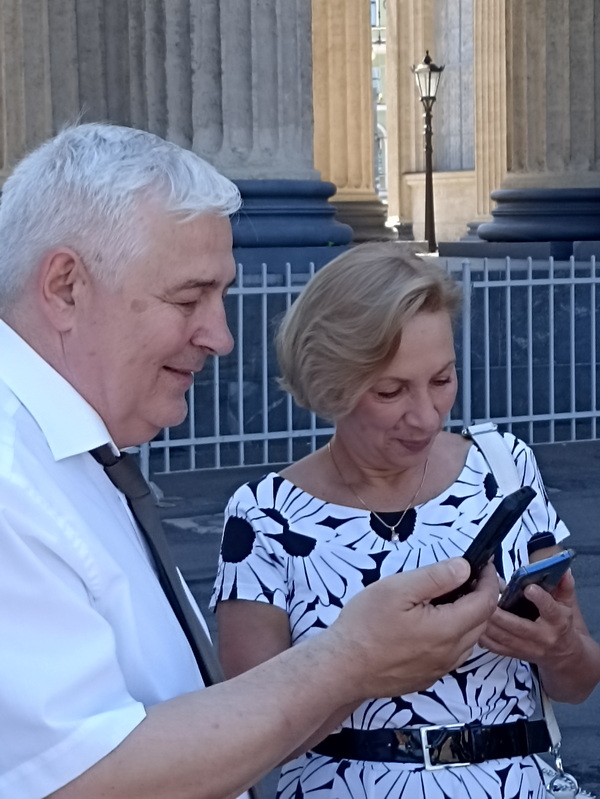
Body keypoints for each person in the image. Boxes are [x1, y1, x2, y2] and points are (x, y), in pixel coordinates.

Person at [0, 124, 500, 799]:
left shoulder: (59, 459)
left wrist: (360, 664)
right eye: (189, 298)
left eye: (222, 297)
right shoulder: (11, 479)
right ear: (66, 287)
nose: (221, 336)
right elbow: (80, 777)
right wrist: (350, 658)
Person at [211, 243, 600, 799]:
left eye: (442, 380)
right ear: (331, 383)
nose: (426, 417)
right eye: (391, 391)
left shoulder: (504, 464)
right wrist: (372, 665)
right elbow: (244, 740)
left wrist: (558, 648)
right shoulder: (265, 517)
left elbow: (578, 681)